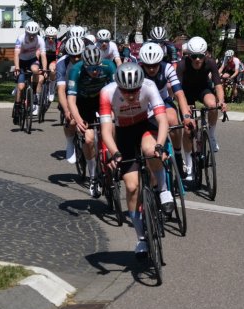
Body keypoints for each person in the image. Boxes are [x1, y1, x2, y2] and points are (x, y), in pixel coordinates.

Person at [100, 62, 170, 259]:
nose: (130, 95)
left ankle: (163, 190)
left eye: (134, 90)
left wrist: (160, 145)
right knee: (131, 187)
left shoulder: (148, 86)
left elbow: (163, 119)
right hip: (123, 132)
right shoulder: (107, 92)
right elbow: (106, 131)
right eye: (126, 91)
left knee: (150, 150)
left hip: (144, 124)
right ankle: (140, 238)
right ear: (118, 86)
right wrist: (114, 153)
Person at [66, 45, 116, 197]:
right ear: (84, 65)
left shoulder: (109, 66)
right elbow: (71, 100)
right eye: (91, 68)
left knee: (113, 125)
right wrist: (79, 120)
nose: (95, 71)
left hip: (102, 99)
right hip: (83, 102)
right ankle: (93, 175)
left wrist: (115, 112)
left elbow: (117, 91)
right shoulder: (76, 70)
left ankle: (113, 157)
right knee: (88, 139)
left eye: (97, 68)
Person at [177, 36, 226, 178]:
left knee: (213, 105)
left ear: (205, 55)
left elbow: (218, 85)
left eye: (200, 56)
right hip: (186, 93)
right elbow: (178, 92)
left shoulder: (210, 62)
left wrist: (221, 101)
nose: (197, 60)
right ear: (189, 56)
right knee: (187, 130)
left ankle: (211, 135)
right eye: (194, 57)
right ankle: (189, 165)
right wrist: (186, 107)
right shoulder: (182, 65)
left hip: (202, 90)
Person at [138, 42, 194, 164]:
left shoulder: (167, 68)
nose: (151, 69)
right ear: (142, 64)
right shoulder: (137, 71)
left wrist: (186, 116)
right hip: (144, 103)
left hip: (163, 100)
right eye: (148, 66)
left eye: (155, 65)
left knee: (173, 120)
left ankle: (178, 155)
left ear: (160, 62)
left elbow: (179, 94)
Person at [55, 37, 86, 163]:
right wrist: (67, 110)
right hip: (68, 91)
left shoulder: (88, 59)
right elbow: (61, 90)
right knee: (72, 121)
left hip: (83, 89)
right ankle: (70, 144)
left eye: (79, 55)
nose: (76, 59)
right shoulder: (62, 63)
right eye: (73, 56)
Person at [13, 22, 47, 115]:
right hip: (21, 61)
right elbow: (16, 54)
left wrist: (44, 69)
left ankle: (35, 93)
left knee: (36, 70)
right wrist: (17, 67)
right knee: (21, 87)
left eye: (34, 34)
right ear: (26, 32)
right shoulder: (20, 39)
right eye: (30, 34)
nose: (32, 36)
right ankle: (17, 105)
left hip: (32, 60)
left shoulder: (40, 40)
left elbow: (43, 55)